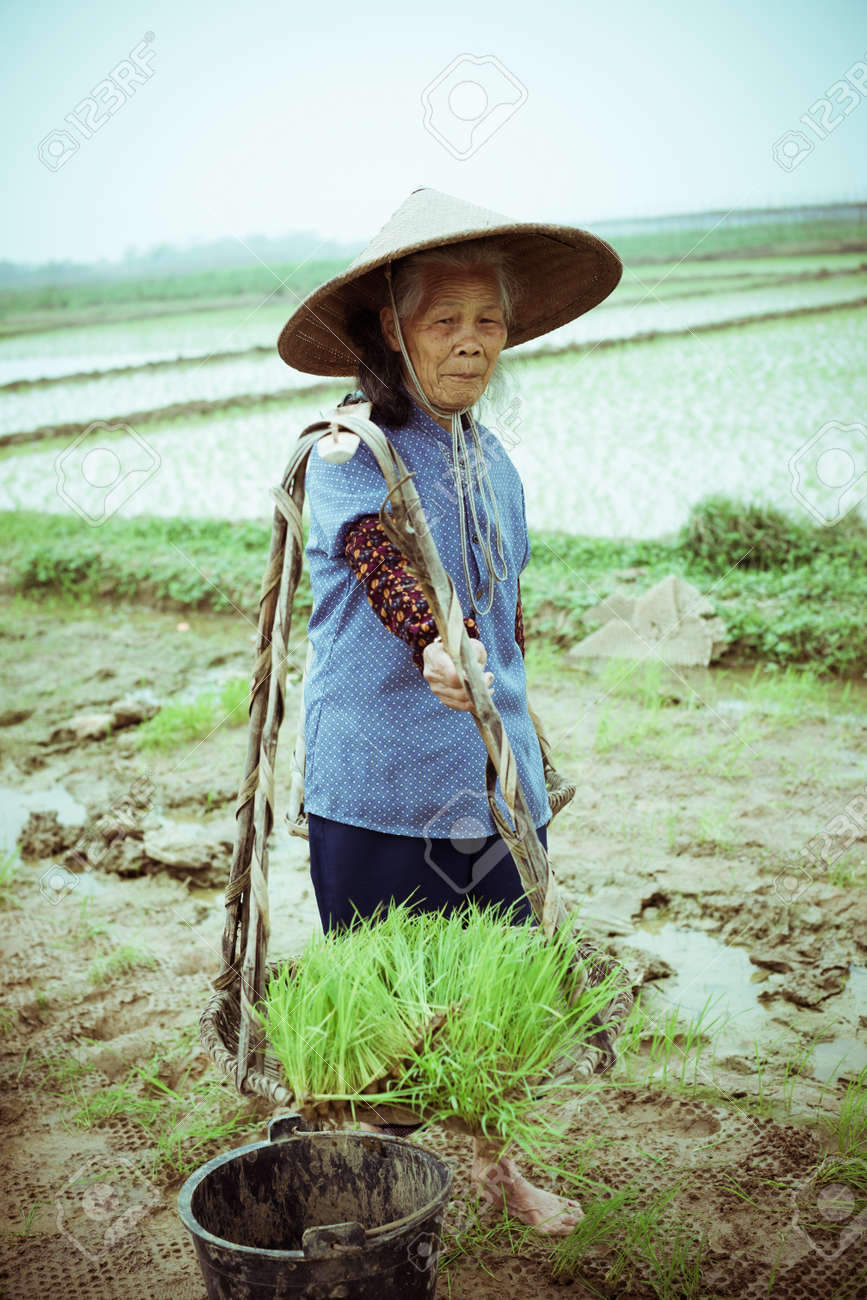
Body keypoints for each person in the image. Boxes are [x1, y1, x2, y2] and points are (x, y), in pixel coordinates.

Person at [277, 187, 622, 1234]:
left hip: (490, 783)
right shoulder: (349, 446)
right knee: (379, 1000)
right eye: (445, 320)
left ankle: (497, 1167)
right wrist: (436, 637)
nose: (472, 342)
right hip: (381, 786)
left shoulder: (492, 457)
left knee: (495, 991)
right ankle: (375, 1186)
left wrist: (513, 712)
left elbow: (508, 615)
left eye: (489, 319)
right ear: (393, 327)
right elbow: (383, 561)